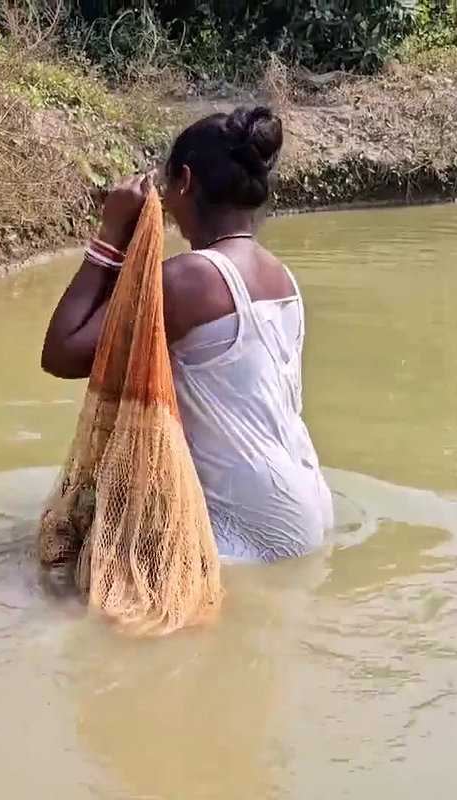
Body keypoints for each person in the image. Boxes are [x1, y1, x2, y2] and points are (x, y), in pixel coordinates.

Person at [40, 105, 333, 562]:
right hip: (304, 500)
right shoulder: (280, 276)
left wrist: (111, 235)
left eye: (167, 182)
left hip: (248, 520)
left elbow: (61, 353)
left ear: (186, 182)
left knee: (84, 596)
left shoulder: (189, 279)